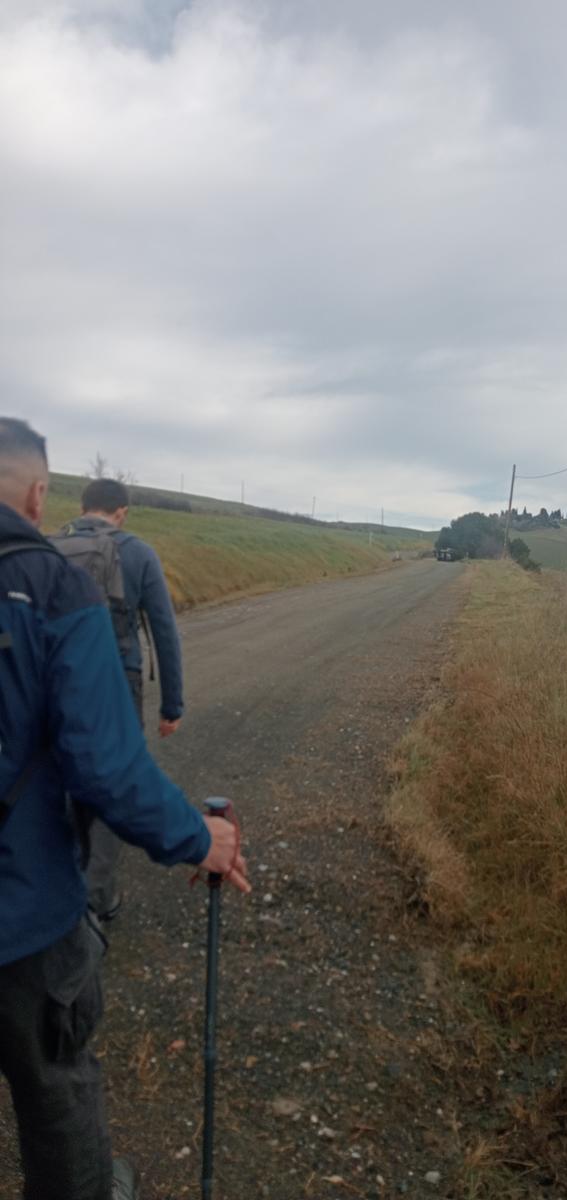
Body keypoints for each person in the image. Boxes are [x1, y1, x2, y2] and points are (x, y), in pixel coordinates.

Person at [0, 418, 251, 1200]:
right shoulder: (53, 584)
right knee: (56, 1086)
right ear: (39, 494)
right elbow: (104, 764)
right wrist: (194, 837)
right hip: (23, 912)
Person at [56, 477, 185, 921]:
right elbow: (164, 632)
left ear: (82, 506)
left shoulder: (50, 548)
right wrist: (173, 706)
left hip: (56, 682)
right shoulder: (138, 552)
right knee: (113, 781)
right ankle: (96, 896)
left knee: (64, 777)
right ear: (122, 511)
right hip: (117, 680)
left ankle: (64, 882)